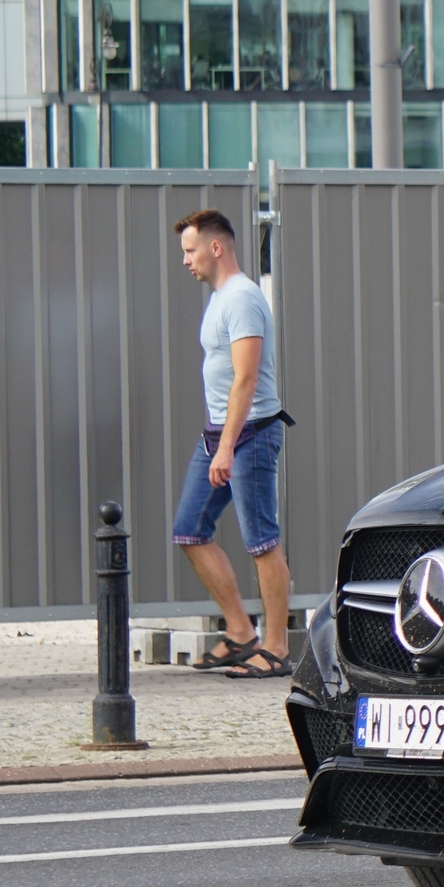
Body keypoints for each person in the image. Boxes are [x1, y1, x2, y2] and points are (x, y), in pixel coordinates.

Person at [171, 208, 294, 678]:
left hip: (252, 435)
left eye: (190, 249)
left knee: (262, 541)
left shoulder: (242, 298)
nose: (186, 260)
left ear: (216, 247)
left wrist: (225, 448)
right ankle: (242, 633)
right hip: (221, 434)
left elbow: (246, 378)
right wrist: (218, 441)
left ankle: (277, 648)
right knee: (190, 529)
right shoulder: (222, 297)